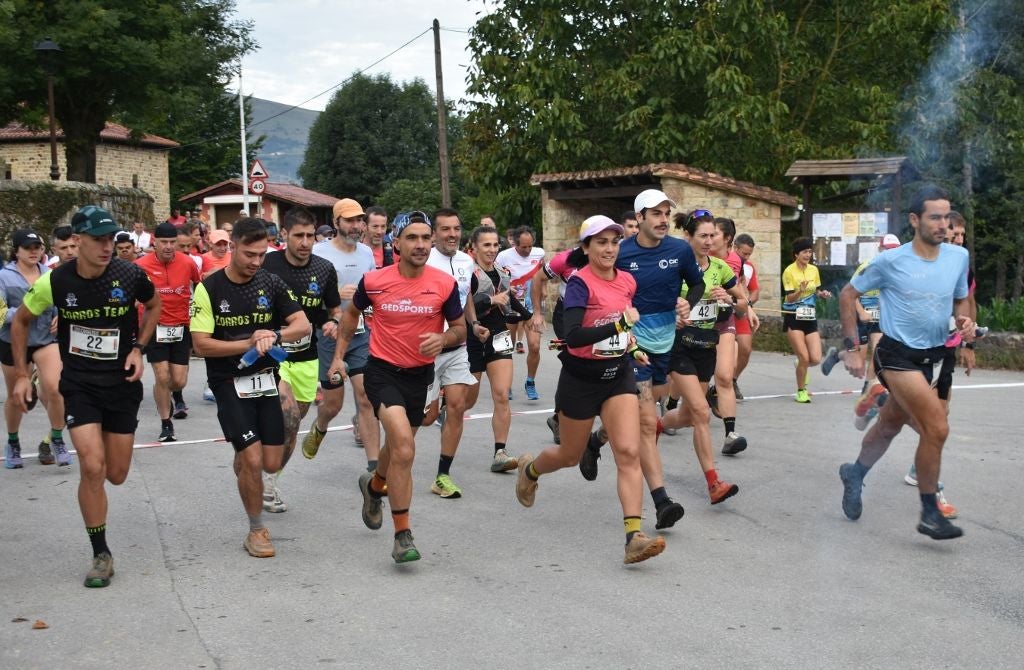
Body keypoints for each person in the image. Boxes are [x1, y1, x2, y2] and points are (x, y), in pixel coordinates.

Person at [11, 205, 160, 587]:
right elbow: (21, 323)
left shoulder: (130, 274)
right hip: (79, 384)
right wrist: (20, 377)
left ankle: (101, 537)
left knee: (117, 473)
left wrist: (137, 348)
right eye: (98, 239)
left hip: (122, 383)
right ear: (77, 241)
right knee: (91, 468)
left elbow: (154, 305)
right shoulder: (55, 281)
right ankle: (100, 553)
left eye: (111, 239)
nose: (107, 246)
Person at [515, 215, 666, 564]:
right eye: (601, 242)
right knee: (569, 455)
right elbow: (574, 336)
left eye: (614, 242)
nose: (609, 248)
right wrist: (619, 324)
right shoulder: (581, 283)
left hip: (617, 375)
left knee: (628, 452)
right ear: (586, 248)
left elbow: (621, 328)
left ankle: (634, 537)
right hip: (581, 378)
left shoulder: (627, 281)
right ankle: (530, 470)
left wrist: (631, 345)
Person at [837, 185, 973, 541]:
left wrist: (964, 322)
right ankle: (930, 512)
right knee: (937, 427)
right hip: (895, 355)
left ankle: (855, 473)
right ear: (915, 220)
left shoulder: (958, 258)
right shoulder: (891, 261)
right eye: (935, 217)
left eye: (947, 216)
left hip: (934, 358)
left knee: (888, 426)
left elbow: (961, 300)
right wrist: (853, 346)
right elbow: (848, 294)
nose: (943, 224)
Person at [331, 211, 465, 564]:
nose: (420, 245)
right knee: (404, 448)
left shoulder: (444, 283)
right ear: (397, 243)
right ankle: (402, 534)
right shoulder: (374, 281)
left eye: (425, 238)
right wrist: (338, 358)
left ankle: (374, 486)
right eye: (412, 238)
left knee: (398, 444)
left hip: (421, 376)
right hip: (382, 372)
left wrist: (444, 337)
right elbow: (350, 315)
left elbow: (460, 328)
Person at [579, 190, 703, 530]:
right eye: (656, 214)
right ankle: (661, 501)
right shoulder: (622, 252)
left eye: (667, 213)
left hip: (665, 342)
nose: (664, 220)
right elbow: (598, 285)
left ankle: (597, 439)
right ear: (641, 218)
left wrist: (687, 303)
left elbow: (697, 284)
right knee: (648, 423)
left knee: (638, 415)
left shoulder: (680, 250)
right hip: (631, 345)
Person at [190, 217, 310, 559]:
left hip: (266, 379)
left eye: (261, 254)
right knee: (254, 459)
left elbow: (301, 325)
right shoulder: (209, 289)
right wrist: (247, 342)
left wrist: (274, 335)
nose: (256, 261)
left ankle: (245, 462)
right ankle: (256, 530)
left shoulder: (270, 283)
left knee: (271, 463)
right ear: (232, 247)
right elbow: (201, 345)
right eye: (249, 254)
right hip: (228, 381)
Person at [660, 212, 745, 502]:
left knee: (686, 416)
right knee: (700, 411)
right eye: (703, 236)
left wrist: (729, 300)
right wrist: (674, 311)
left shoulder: (720, 268)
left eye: (713, 236)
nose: (709, 241)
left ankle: (655, 426)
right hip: (678, 344)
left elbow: (744, 303)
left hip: (705, 345)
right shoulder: (675, 266)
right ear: (689, 237)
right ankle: (713, 482)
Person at [260, 207, 340, 513]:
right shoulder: (267, 264)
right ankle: (264, 481)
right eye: (299, 236)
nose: (305, 242)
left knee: (293, 429)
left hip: (306, 358)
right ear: (284, 235)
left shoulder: (323, 269)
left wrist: (333, 322)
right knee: (288, 415)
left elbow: (333, 310)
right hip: (273, 355)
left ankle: (270, 479)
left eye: (310, 235)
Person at [302, 198, 379, 473]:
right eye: (349, 220)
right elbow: (308, 295)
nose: (356, 226)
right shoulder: (319, 253)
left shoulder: (367, 254)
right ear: (336, 223)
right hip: (329, 334)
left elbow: (373, 290)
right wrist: (332, 298)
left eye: (359, 220)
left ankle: (374, 469)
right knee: (333, 404)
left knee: (366, 397)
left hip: (358, 332)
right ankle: (320, 426)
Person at [421, 208, 490, 497]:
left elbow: (466, 295)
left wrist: (473, 324)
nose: (452, 234)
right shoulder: (423, 261)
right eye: (445, 229)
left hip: (457, 345)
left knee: (458, 406)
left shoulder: (466, 260)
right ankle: (386, 464)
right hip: (427, 348)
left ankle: (442, 476)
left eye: (456, 228)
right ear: (434, 233)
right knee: (424, 417)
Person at [1, 229, 69, 468]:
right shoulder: (3, 277)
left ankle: (57, 439)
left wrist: (61, 315)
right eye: (27, 247)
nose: (33, 251)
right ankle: (13, 442)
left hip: (43, 339)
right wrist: (26, 312)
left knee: (56, 387)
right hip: (13, 341)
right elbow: (0, 313)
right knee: (16, 396)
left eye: (37, 247)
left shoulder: (49, 274)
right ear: (16, 251)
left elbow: (63, 301)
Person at [466, 226, 531, 473]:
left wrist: (530, 318)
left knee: (502, 394)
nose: (492, 250)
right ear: (474, 247)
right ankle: (443, 407)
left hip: (498, 335)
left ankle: (500, 452)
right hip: (473, 337)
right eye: (486, 245)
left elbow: (509, 301)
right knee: (467, 401)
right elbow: (463, 304)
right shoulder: (468, 274)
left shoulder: (503, 272)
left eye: (495, 245)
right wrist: (490, 301)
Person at [821, 234, 902, 430]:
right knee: (860, 354)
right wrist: (862, 312)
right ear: (881, 249)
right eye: (888, 250)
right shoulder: (869, 266)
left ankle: (868, 388)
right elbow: (850, 295)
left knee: (878, 352)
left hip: (879, 320)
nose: (891, 254)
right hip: (862, 316)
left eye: (895, 251)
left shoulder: (899, 271)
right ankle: (838, 354)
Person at [135, 222, 202, 442]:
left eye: (173, 242)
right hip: (155, 328)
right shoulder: (140, 265)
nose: (169, 247)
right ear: (154, 242)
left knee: (178, 381)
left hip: (182, 327)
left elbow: (199, 288)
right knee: (162, 376)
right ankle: (166, 423)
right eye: (164, 242)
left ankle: (168, 393)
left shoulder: (188, 263)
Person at [496, 226, 545, 398]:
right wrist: (509, 289)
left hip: (532, 306)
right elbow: (497, 281)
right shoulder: (503, 256)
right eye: (523, 247)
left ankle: (530, 382)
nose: (527, 250)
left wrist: (543, 289)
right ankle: (506, 384)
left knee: (535, 346)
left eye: (530, 246)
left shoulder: (540, 253)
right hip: (511, 306)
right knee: (507, 348)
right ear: (514, 243)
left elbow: (543, 274)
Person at [782, 237, 832, 403]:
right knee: (804, 356)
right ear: (796, 254)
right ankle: (801, 390)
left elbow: (815, 290)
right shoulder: (789, 271)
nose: (808, 254)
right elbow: (789, 298)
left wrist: (822, 294)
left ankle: (800, 365)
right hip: (793, 316)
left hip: (809, 316)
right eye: (804, 252)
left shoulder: (813, 270)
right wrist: (799, 291)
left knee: (816, 358)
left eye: (809, 251)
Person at [732, 233, 760, 398]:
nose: (746, 257)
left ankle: (733, 379)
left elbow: (755, 291)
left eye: (749, 254)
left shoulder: (749, 267)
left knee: (745, 348)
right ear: (735, 248)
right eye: (744, 253)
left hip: (741, 312)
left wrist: (748, 304)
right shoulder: (726, 262)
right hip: (725, 310)